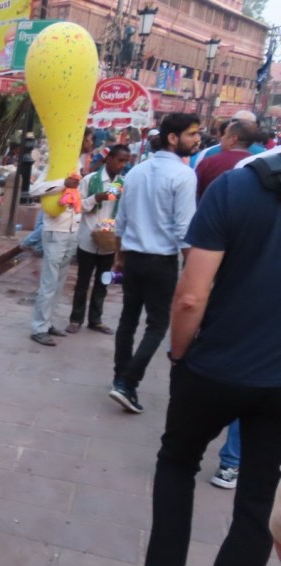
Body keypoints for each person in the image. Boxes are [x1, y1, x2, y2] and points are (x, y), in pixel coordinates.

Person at [125, 152, 281, 566]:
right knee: (257, 503)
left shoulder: (235, 189)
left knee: (177, 461)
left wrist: (179, 354)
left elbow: (191, 295)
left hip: (213, 367)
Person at [109, 113, 200, 414]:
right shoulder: (183, 175)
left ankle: (120, 377)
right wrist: (196, 272)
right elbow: (184, 230)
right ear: (173, 138)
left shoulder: (137, 171)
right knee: (157, 325)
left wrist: (120, 257)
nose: (197, 139)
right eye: (192, 134)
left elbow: (121, 221)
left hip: (134, 257)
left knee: (128, 319)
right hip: (160, 261)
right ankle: (127, 382)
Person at [28, 128, 93, 346]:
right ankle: (39, 327)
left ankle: (47, 323)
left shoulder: (79, 165)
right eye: (88, 139)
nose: (91, 143)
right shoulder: (58, 165)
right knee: (49, 282)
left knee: (59, 282)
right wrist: (63, 184)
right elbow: (35, 190)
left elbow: (79, 199)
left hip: (72, 229)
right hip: (56, 230)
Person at [67, 144, 129, 335]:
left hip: (109, 241)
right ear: (109, 159)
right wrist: (97, 198)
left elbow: (123, 211)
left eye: (125, 162)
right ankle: (76, 319)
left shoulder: (122, 183)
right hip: (88, 238)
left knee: (103, 281)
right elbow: (78, 206)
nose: (122, 165)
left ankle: (95, 319)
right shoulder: (90, 180)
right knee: (83, 281)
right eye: (120, 160)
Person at [195, 120, 256, 199]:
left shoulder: (209, 162)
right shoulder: (257, 164)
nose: (221, 138)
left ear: (234, 139)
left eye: (225, 134)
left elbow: (194, 192)